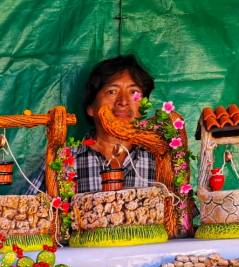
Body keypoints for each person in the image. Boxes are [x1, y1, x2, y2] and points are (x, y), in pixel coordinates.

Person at [28, 55, 157, 194]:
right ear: (91, 107)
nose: (123, 101)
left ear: (144, 105)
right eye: (112, 91)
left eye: (133, 92)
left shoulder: (158, 158)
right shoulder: (62, 160)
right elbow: (27, 213)